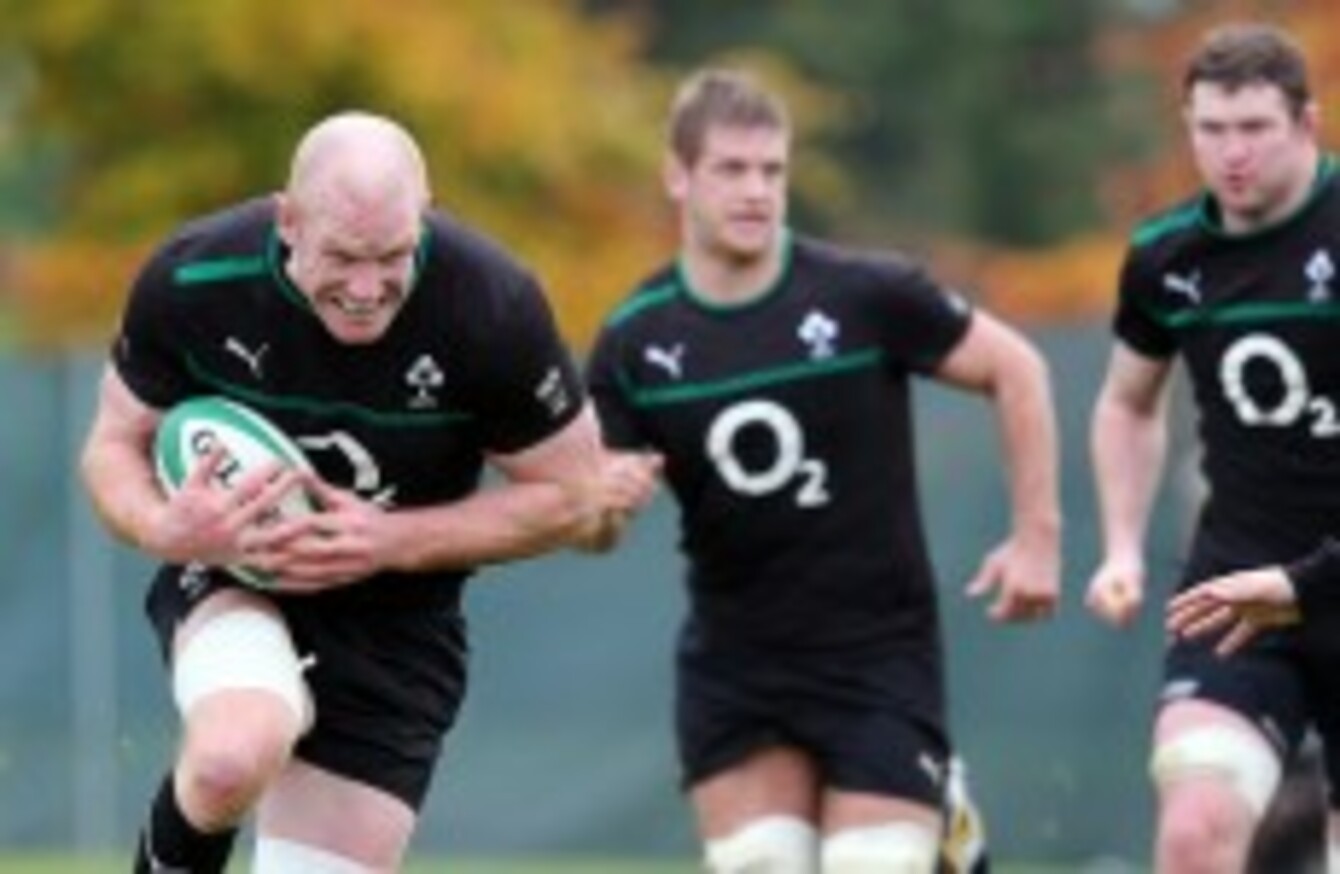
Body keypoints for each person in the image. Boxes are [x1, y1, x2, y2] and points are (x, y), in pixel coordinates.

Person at [80, 111, 658, 873]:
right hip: (233, 572)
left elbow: (575, 496)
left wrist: (390, 540)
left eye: (391, 256)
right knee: (230, 757)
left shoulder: (493, 304)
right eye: (344, 257)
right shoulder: (195, 277)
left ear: (426, 216)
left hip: (398, 619)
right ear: (289, 221)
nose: (366, 288)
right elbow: (112, 445)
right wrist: (165, 527)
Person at [587, 68, 1061, 874]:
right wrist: (602, 505)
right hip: (736, 664)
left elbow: (1016, 368)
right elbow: (593, 527)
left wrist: (1036, 538)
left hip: (877, 656)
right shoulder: (634, 339)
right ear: (678, 175)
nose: (756, 191)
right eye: (731, 169)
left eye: (772, 170)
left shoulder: (865, 294)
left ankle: (940, 812)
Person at [1084, 21, 1338, 873]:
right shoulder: (1165, 257)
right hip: (1238, 591)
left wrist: (1301, 583)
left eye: (1255, 127)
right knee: (1195, 829)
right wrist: (1122, 546)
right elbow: (1127, 403)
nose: (1233, 153)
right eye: (1212, 129)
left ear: (1306, 124)